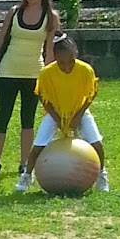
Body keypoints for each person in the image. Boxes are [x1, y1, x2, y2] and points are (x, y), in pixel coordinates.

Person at [0, 0, 60, 183]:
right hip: (8, 70)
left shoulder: (51, 16)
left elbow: (50, 49)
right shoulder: (14, 12)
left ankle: (24, 162)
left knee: (28, 120)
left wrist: (49, 78)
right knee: (2, 117)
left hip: (34, 72)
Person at [22, 35, 108, 194]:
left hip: (79, 110)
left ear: (76, 54)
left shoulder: (85, 70)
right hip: (55, 112)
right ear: (55, 58)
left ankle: (102, 174)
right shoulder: (47, 73)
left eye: (71, 62)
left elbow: (91, 93)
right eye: (62, 63)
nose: (67, 67)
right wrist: (56, 118)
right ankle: (26, 176)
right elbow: (43, 97)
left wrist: (78, 115)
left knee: (96, 142)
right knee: (38, 146)